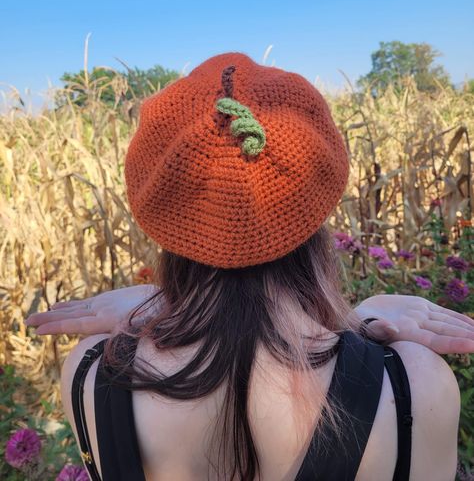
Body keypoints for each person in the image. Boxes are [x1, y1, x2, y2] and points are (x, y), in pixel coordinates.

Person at [26, 52, 474, 481]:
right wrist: (361, 326)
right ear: (319, 202)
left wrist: (158, 306)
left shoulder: (91, 372)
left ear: (159, 210)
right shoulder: (415, 387)